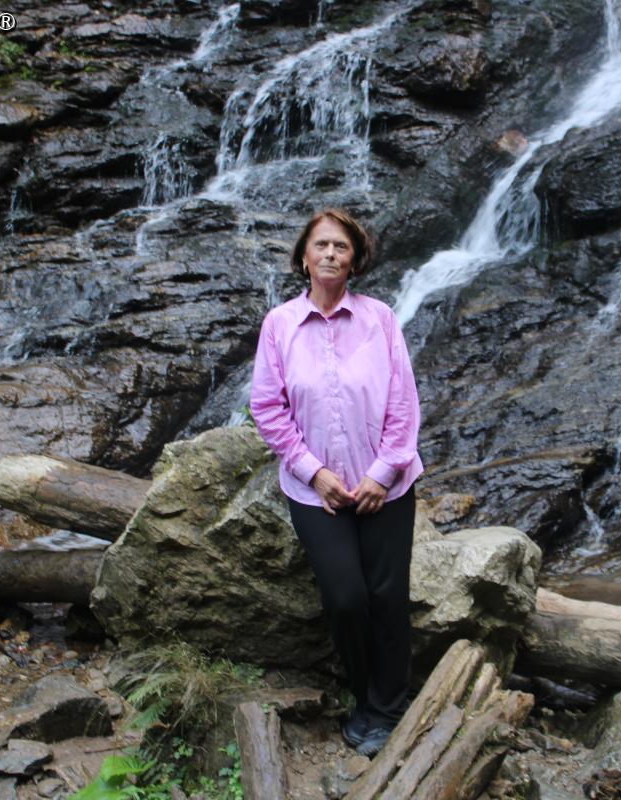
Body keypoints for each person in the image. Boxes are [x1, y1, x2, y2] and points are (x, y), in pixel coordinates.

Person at [249, 208, 423, 757]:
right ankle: (363, 695)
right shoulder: (279, 324)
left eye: (341, 247)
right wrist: (313, 471)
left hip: (386, 487)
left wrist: (382, 473)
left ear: (354, 260)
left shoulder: (380, 319)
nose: (330, 254)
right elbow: (267, 407)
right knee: (346, 598)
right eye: (321, 245)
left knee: (387, 597)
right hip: (314, 491)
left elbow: (403, 401)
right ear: (304, 257)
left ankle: (386, 709)